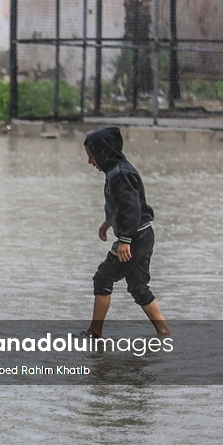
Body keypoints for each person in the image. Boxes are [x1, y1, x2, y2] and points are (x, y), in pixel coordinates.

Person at [83, 126, 170, 338]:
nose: (90, 162)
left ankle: (95, 332)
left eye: (92, 156)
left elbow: (133, 208)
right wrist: (108, 222)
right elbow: (122, 205)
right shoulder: (116, 170)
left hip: (135, 237)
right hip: (143, 234)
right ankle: (163, 332)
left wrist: (125, 240)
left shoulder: (120, 174)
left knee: (103, 279)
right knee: (138, 286)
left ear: (104, 152)